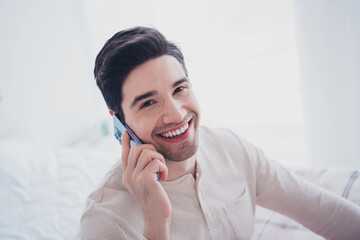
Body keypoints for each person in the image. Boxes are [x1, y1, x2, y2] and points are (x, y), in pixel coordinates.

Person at [80, 26, 360, 240]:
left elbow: (322, 209)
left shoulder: (232, 148)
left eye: (179, 89)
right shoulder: (104, 221)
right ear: (119, 122)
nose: (177, 114)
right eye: (148, 103)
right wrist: (156, 224)